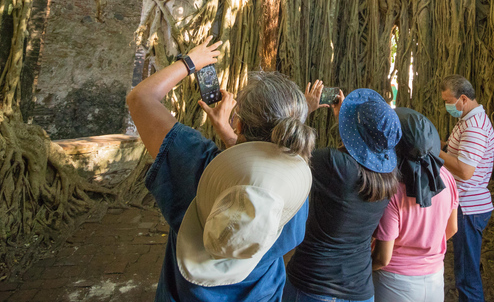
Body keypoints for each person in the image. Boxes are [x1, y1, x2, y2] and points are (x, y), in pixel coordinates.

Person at [126, 37, 316, 301]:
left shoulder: (195, 160)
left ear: (239, 123)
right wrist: (228, 136)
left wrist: (191, 61)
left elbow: (140, 98)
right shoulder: (294, 187)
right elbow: (256, 180)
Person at [284, 82, 402, 302]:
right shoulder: (389, 178)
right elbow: (363, 155)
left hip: (313, 284)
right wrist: (347, 123)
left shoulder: (335, 165)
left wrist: (306, 109)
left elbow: (286, 151)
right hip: (360, 291)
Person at [371, 108, 459, 302]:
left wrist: (360, 271)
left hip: (394, 283)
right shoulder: (447, 178)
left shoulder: (392, 191)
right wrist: (426, 245)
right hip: (435, 280)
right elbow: (452, 228)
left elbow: (382, 258)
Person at [438, 75, 494, 302]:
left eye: (448, 101)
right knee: (465, 270)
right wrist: (442, 146)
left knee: (467, 277)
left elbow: (464, 170)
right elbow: (460, 153)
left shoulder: (475, 126)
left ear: (463, 98)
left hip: (468, 208)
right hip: (464, 205)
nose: (446, 106)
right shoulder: (467, 120)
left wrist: (435, 151)